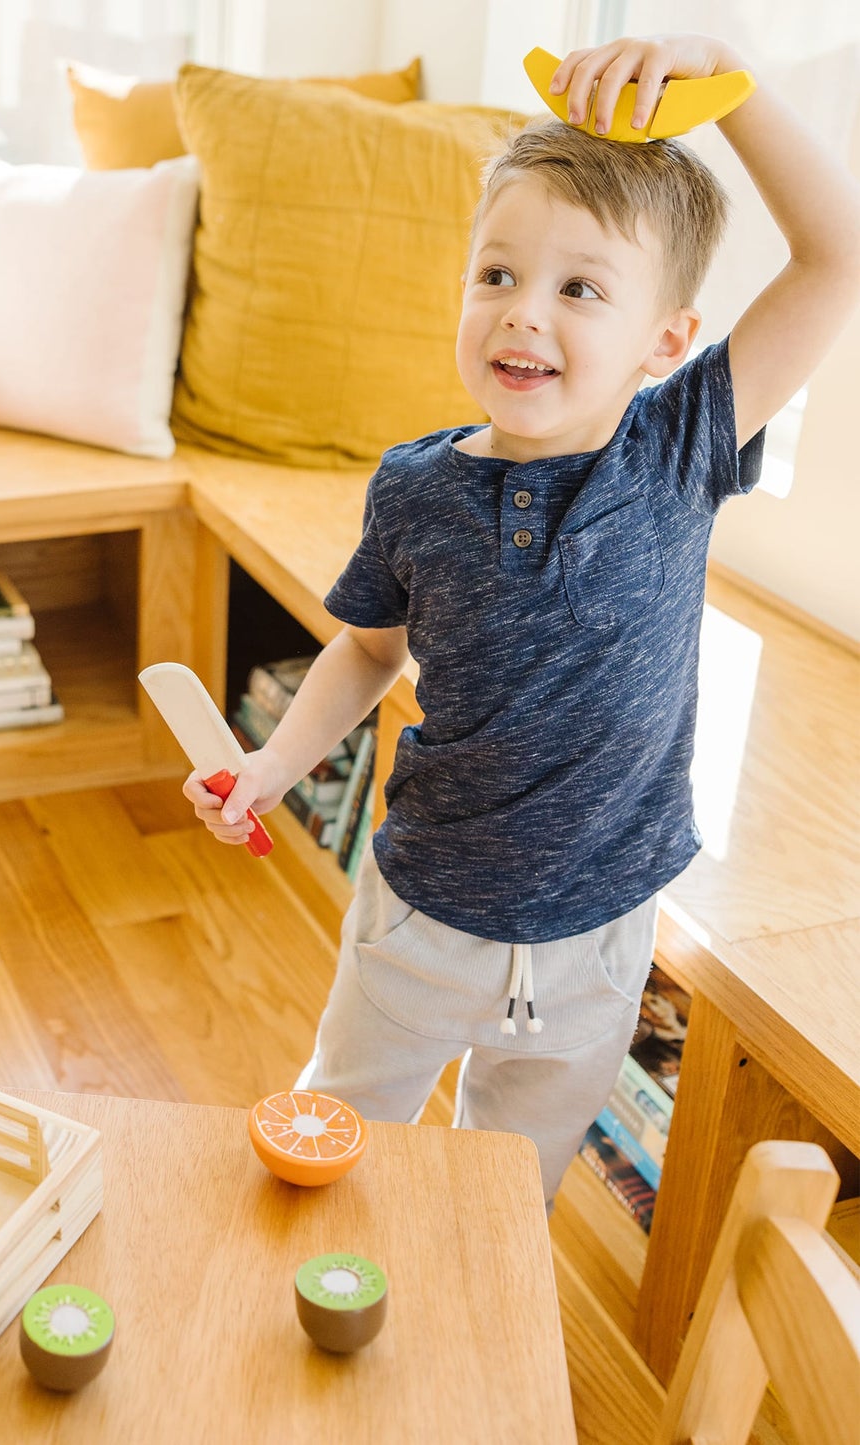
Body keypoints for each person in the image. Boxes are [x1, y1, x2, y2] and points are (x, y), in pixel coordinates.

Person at [183, 34, 860, 1206]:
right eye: (494, 274)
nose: (521, 315)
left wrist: (730, 80)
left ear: (664, 341)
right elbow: (366, 646)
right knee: (326, 1156)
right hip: (419, 920)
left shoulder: (681, 445)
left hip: (600, 938)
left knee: (498, 1199)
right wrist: (272, 761)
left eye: (578, 287)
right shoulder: (413, 486)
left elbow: (834, 255)